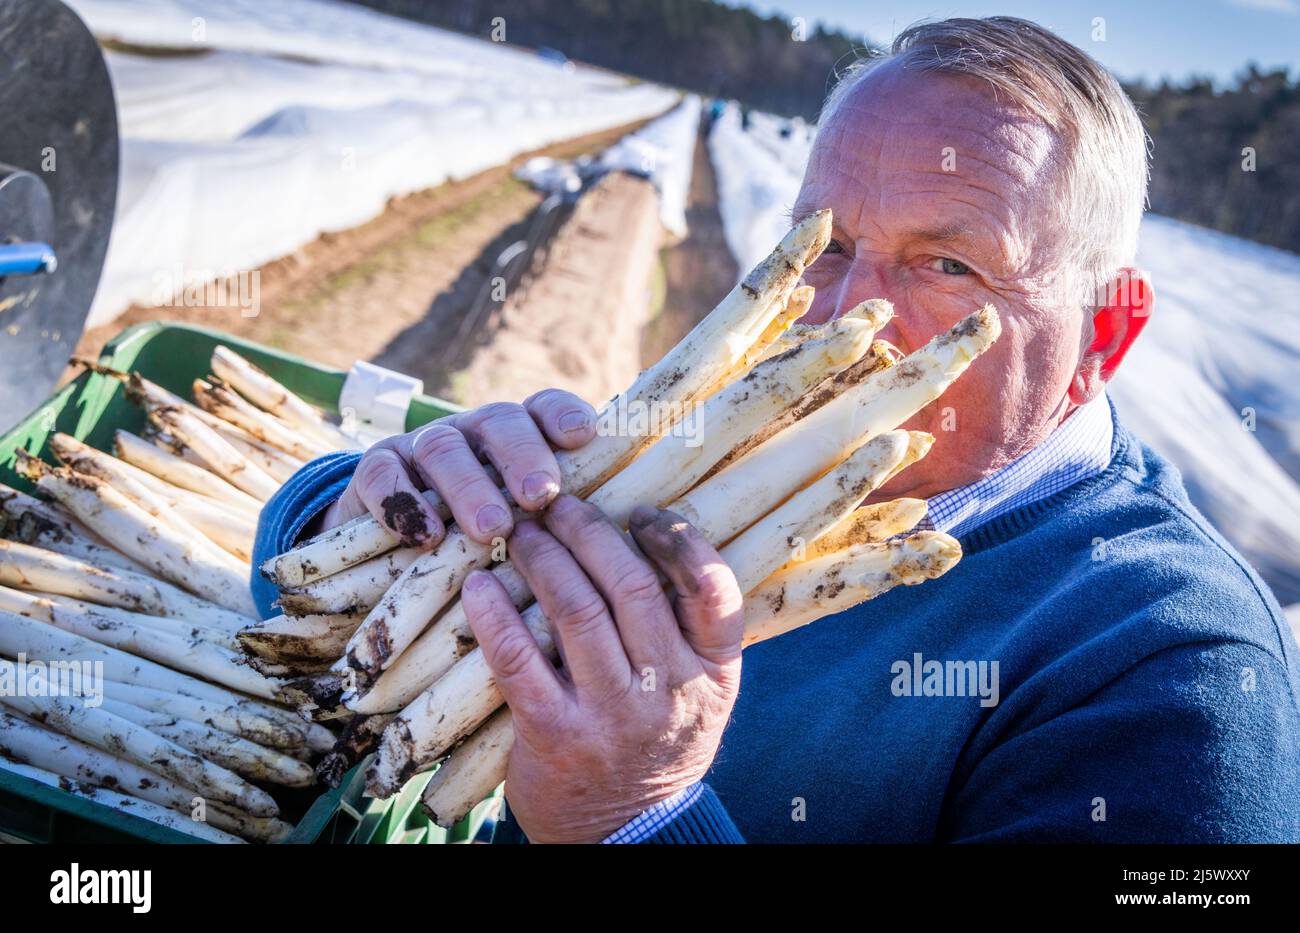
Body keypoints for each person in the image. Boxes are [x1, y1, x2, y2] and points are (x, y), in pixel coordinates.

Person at [253, 17, 1300, 843]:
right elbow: (312, 656)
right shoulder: (731, 452)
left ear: (1103, 335)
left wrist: (640, 818)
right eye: (828, 244)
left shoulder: (1171, 670)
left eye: (949, 267)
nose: (850, 316)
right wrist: (361, 518)